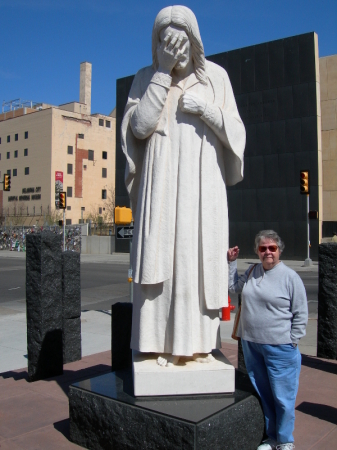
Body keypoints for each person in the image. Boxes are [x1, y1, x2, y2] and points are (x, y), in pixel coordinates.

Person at [122, 5, 246, 366]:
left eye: (181, 41)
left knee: (195, 260)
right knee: (160, 260)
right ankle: (156, 343)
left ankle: (197, 346)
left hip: (200, 187)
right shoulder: (146, 76)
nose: (175, 49)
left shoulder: (215, 79)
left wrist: (206, 110)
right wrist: (161, 72)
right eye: (166, 42)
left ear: (195, 42)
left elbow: (237, 133)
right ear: (157, 44)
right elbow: (140, 127)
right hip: (159, 187)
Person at [228, 230, 308, 450]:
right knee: (264, 394)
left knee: (283, 397)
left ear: (279, 250)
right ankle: (272, 437)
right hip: (252, 345)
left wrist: (293, 340)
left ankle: (285, 440)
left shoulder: (290, 277)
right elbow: (234, 288)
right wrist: (231, 263)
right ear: (257, 251)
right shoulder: (253, 270)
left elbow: (301, 312)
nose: (267, 252)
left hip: (280, 347)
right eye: (263, 248)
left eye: (272, 248)